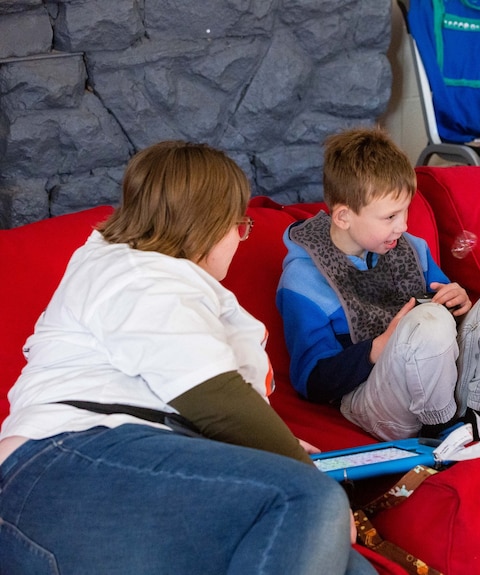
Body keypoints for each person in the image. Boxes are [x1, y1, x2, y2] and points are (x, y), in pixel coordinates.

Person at [0, 141, 375, 575]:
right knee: (308, 497)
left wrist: (267, 451)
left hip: (132, 476)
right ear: (208, 223)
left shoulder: (172, 284)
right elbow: (212, 397)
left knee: (348, 567)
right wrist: (293, 461)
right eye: (240, 224)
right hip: (61, 469)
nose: (241, 237)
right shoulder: (133, 272)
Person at [277, 127, 480, 445]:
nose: (402, 226)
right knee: (427, 321)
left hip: (437, 384)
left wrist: (458, 301)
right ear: (344, 217)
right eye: (389, 216)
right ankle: (443, 433)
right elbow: (312, 382)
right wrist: (379, 346)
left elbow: (446, 323)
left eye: (406, 211)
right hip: (373, 399)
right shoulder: (304, 280)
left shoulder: (412, 248)